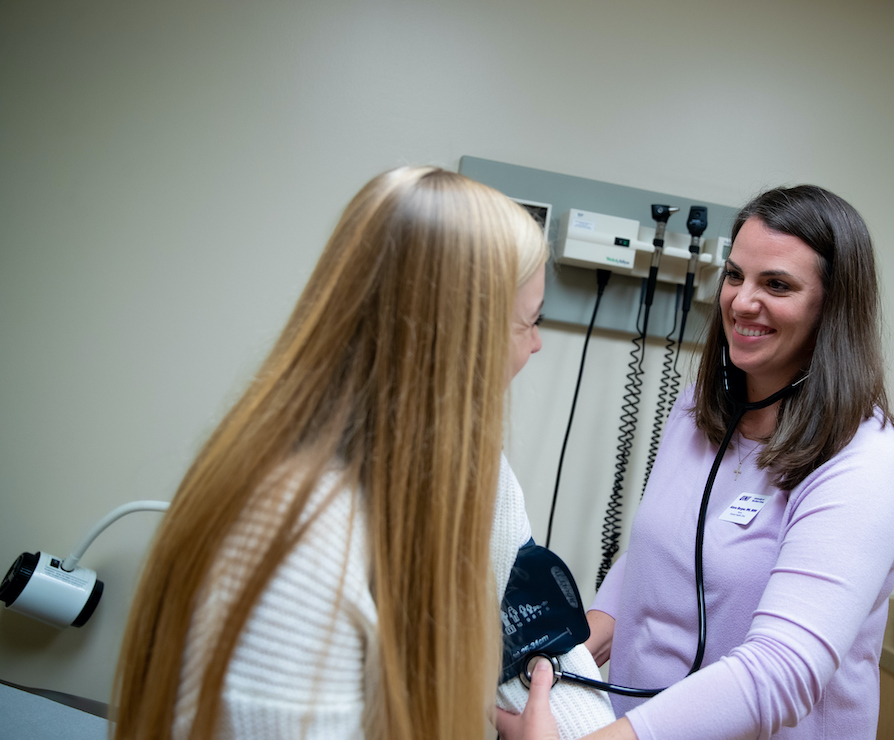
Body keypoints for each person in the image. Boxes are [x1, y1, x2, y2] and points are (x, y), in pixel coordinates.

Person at [112, 165, 611, 740]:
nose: (538, 344)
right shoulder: (292, 544)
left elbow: (527, 634)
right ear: (459, 341)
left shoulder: (478, 474)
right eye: (531, 322)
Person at [507, 184, 894, 740]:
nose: (742, 301)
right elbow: (652, 560)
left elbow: (782, 673)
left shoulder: (867, 462)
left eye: (776, 284)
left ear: (833, 309)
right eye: (734, 275)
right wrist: (560, 668)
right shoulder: (700, 408)